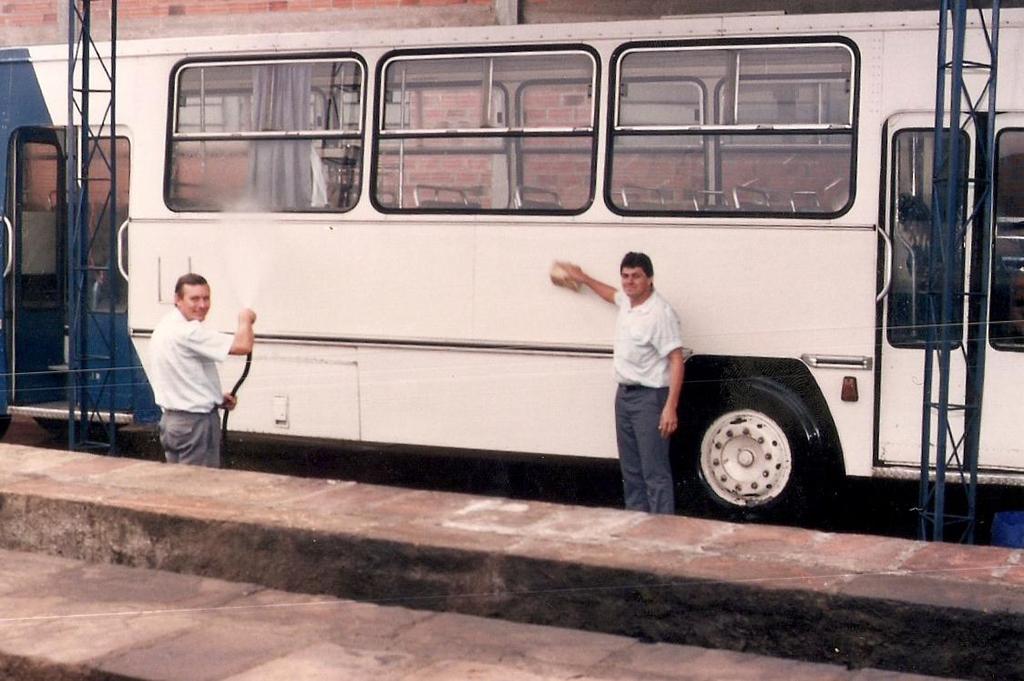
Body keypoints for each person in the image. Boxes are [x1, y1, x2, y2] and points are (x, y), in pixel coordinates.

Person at [559, 252, 685, 514]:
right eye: (625, 276)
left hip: (651, 399)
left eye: (636, 276)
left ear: (649, 279)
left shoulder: (660, 313)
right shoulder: (628, 302)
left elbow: (676, 359)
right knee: (631, 471)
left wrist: (670, 407)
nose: (629, 282)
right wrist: (583, 278)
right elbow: (610, 294)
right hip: (625, 396)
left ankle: (665, 532)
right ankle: (635, 528)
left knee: (654, 472)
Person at [148, 273, 257, 468]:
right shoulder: (189, 332)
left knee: (178, 486)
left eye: (206, 298)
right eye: (195, 299)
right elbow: (243, 345)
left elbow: (183, 375)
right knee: (198, 487)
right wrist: (245, 319)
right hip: (195, 425)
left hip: (172, 422)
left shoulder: (164, 327)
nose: (202, 305)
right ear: (177, 300)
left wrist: (215, 397)